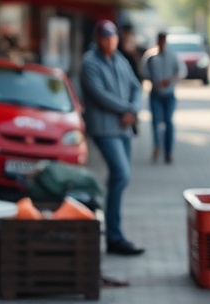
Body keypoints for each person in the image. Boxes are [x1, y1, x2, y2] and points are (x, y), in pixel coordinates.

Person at [79, 19, 145, 256]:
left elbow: (137, 87)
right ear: (98, 39)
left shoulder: (121, 60)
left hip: (124, 128)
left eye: (113, 37)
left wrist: (133, 109)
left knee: (120, 179)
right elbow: (99, 94)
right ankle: (114, 235)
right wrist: (126, 109)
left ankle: (113, 231)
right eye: (105, 37)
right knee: (121, 173)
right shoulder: (89, 63)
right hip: (105, 129)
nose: (110, 41)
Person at [143, 31, 186, 163]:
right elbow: (144, 72)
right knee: (156, 122)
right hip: (156, 93)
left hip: (169, 94)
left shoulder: (172, 56)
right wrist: (155, 81)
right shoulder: (151, 57)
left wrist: (170, 80)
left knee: (169, 122)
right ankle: (157, 146)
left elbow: (182, 72)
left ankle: (168, 152)